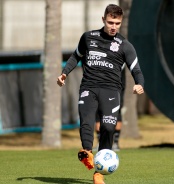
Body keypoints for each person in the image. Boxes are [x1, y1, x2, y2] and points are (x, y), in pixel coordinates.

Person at [57, 4, 144, 184]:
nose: (113, 26)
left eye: (117, 23)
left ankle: (99, 174)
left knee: (108, 127)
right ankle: (87, 152)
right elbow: (75, 56)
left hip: (111, 91)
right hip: (88, 87)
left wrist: (139, 84)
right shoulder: (88, 37)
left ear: (120, 23)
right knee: (87, 121)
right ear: (103, 19)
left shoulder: (125, 45)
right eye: (110, 22)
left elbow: (136, 69)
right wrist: (64, 73)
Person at [95, 65, 125, 152]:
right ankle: (100, 142)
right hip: (99, 86)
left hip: (117, 87)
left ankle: (115, 142)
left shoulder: (120, 56)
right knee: (98, 112)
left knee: (117, 111)